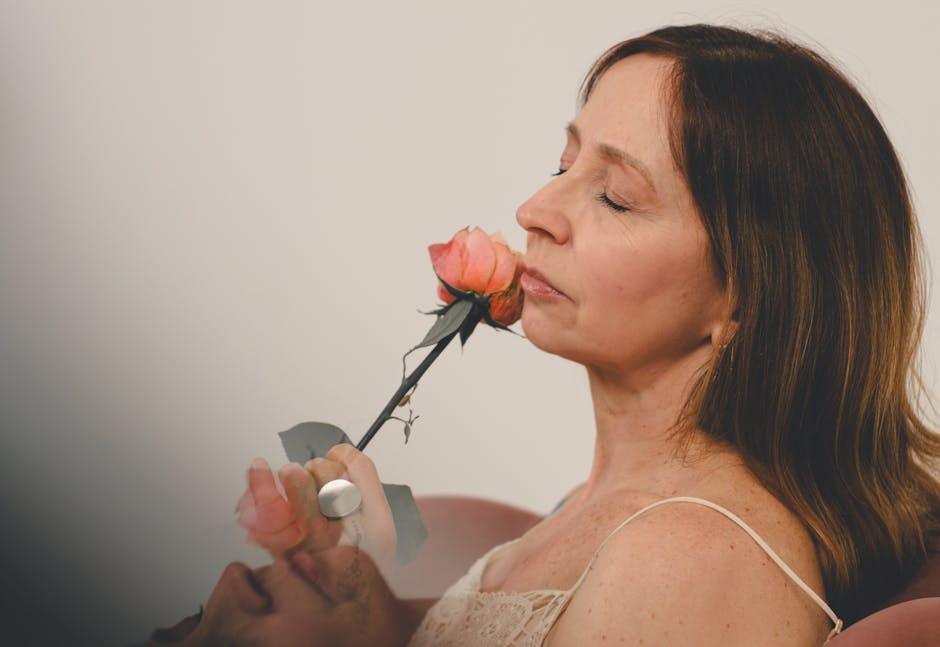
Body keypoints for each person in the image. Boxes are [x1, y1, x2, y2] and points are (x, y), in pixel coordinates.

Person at [148, 23, 940, 646]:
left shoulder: (694, 553)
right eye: (562, 164)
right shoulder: (597, 509)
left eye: (617, 197)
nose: (534, 209)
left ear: (748, 301)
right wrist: (368, 613)